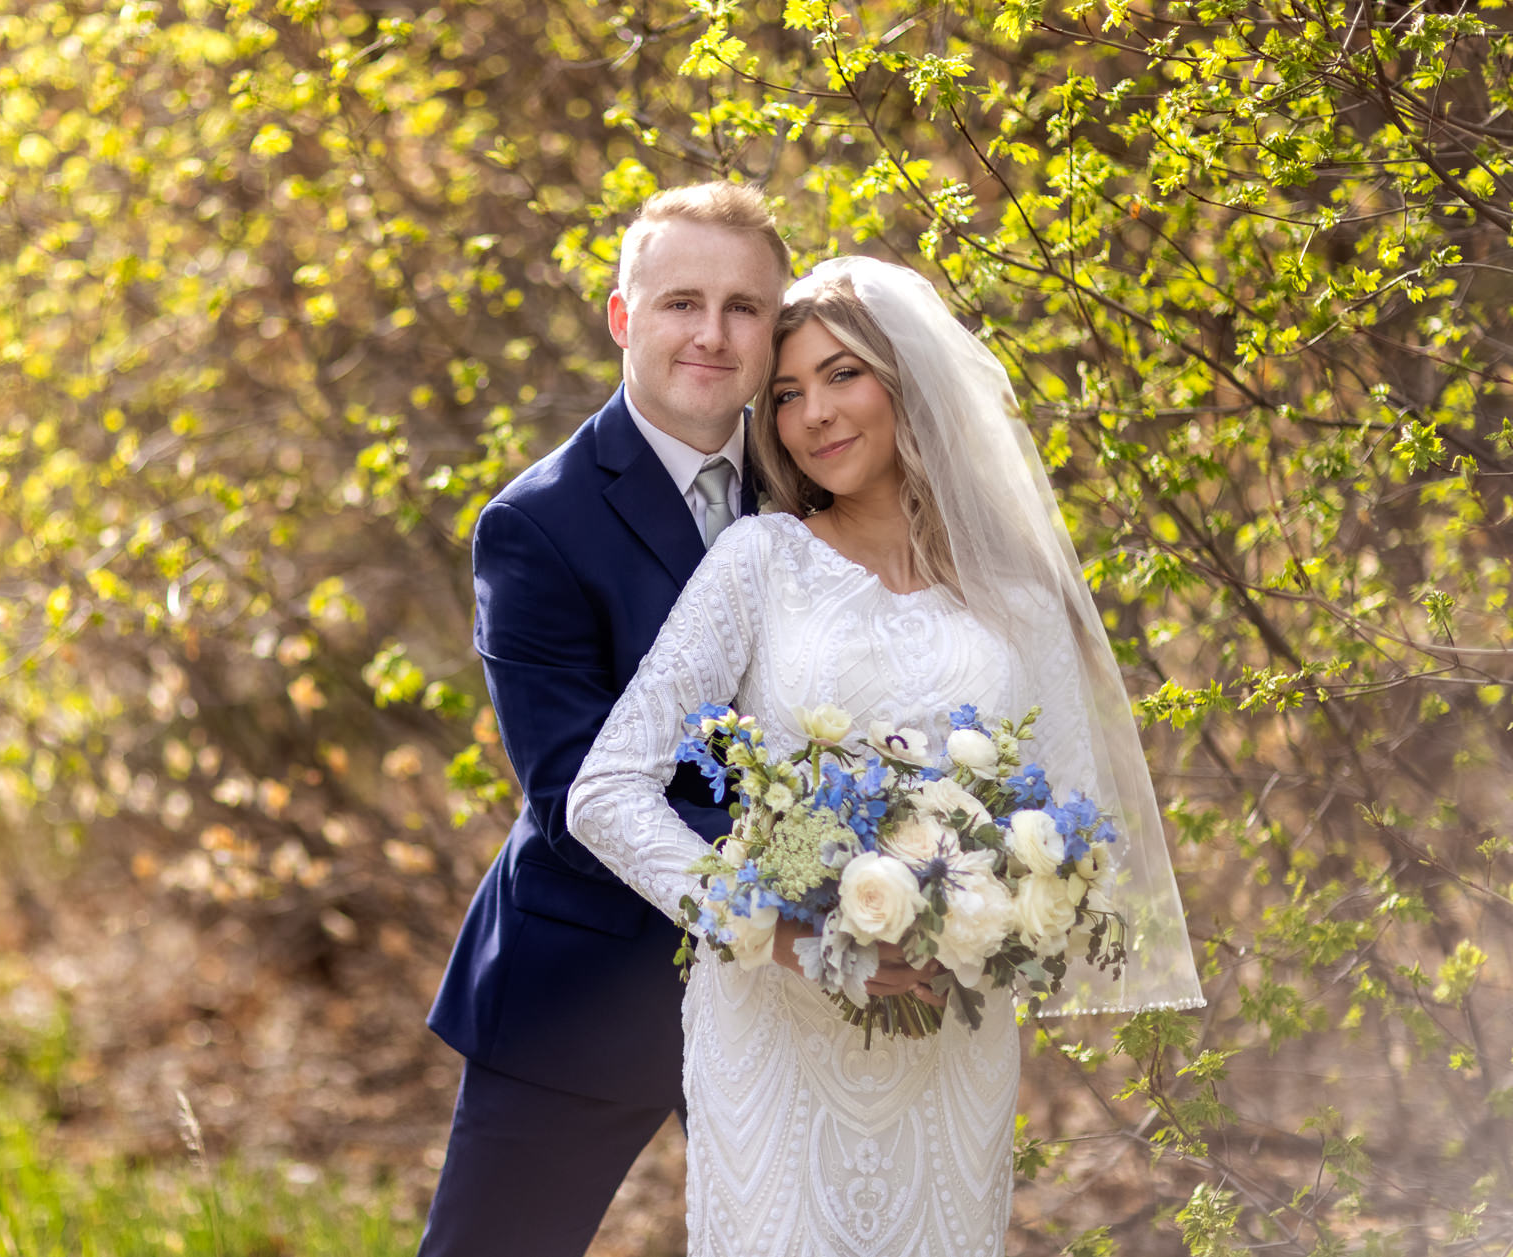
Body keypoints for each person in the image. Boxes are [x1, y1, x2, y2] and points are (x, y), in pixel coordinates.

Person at [567, 257, 1204, 1255]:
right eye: (784, 394)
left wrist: (991, 917)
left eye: (841, 376)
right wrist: (773, 929)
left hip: (952, 1036)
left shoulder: (1021, 603)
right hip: (772, 1030)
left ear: (907, 380)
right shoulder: (760, 564)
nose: (812, 414)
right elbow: (604, 792)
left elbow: (1087, 833)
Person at [417, 182, 796, 1255]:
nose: (712, 335)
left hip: (798, 998)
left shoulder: (815, 480)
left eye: (743, 307)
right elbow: (570, 783)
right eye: (682, 302)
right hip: (589, 981)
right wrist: (797, 883)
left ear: (777, 330)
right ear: (624, 318)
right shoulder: (539, 524)